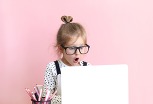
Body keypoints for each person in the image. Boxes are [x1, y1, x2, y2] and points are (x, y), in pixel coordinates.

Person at [42, 15, 91, 104]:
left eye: (81, 47)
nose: (77, 53)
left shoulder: (87, 67)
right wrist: (69, 100)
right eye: (72, 48)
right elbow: (46, 97)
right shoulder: (53, 67)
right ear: (61, 48)